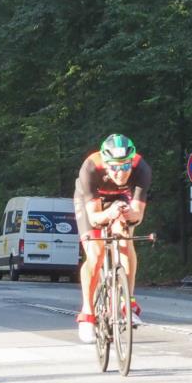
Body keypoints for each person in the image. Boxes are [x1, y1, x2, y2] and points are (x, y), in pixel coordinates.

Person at [73, 134, 152, 342]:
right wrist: (108, 214)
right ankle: (88, 314)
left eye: (125, 166)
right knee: (96, 253)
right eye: (115, 167)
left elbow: (138, 216)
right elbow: (95, 217)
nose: (121, 173)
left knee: (125, 241)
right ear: (106, 164)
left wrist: (126, 214)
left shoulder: (142, 169)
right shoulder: (90, 168)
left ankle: (127, 302)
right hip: (91, 201)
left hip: (121, 199)